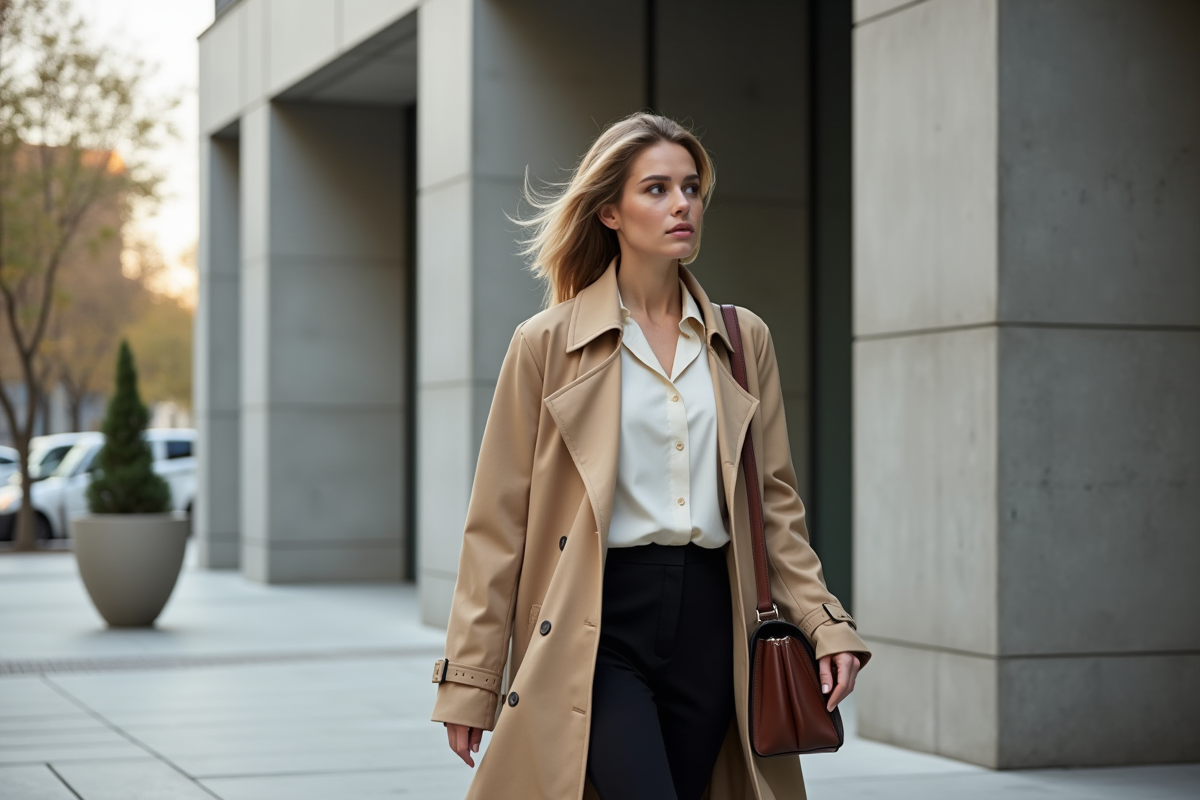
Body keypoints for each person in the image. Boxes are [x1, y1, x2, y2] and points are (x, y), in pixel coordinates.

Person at [430, 112, 870, 800]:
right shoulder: (546, 344)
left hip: (714, 627)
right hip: (596, 623)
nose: (682, 205)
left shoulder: (742, 340)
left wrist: (824, 622)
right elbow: (497, 524)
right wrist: (470, 679)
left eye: (691, 188)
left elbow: (775, 507)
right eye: (657, 189)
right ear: (609, 211)